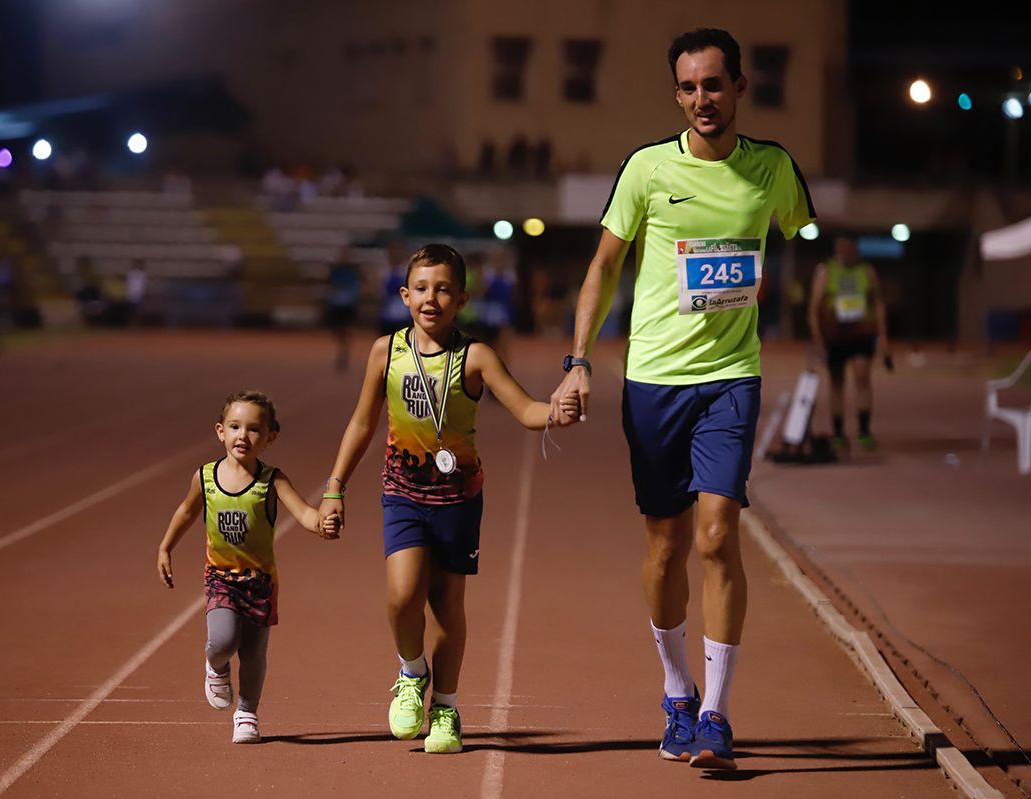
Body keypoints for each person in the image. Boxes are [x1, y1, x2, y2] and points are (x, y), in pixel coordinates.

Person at [548, 28, 816, 770]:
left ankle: (716, 714)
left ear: (739, 87)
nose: (703, 99)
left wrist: (779, 287)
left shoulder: (772, 170)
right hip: (654, 380)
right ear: (678, 93)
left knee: (716, 533)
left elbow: (802, 229)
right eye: (690, 87)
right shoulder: (644, 169)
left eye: (714, 85)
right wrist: (578, 362)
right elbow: (602, 267)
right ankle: (675, 689)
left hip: (732, 376)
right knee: (665, 544)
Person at [319, 244, 578, 755]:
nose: (430, 298)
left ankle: (447, 709)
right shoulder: (385, 351)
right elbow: (362, 422)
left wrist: (554, 410)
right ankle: (412, 672)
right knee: (402, 594)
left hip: (458, 498)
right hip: (402, 493)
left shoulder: (475, 355)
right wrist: (334, 487)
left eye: (442, 289)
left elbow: (524, 408)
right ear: (404, 294)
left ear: (462, 298)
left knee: (447, 607)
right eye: (420, 288)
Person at [156, 391, 340, 744]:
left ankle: (247, 713)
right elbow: (186, 512)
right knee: (223, 640)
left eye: (254, 429)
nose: (244, 436)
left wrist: (322, 524)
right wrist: (166, 547)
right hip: (221, 579)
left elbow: (304, 513)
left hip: (260, 583)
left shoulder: (272, 480)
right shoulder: (205, 477)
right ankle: (216, 665)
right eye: (236, 427)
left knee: (254, 652)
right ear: (220, 431)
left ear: (270, 437)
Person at [807, 236, 888, 451]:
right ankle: (838, 432)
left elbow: (878, 302)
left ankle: (863, 430)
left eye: (848, 246)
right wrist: (817, 338)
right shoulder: (826, 271)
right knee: (836, 382)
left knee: (862, 377)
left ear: (855, 248)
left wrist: (884, 336)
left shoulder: (867, 271)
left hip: (861, 333)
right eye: (840, 246)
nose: (844, 250)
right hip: (836, 335)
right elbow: (814, 307)